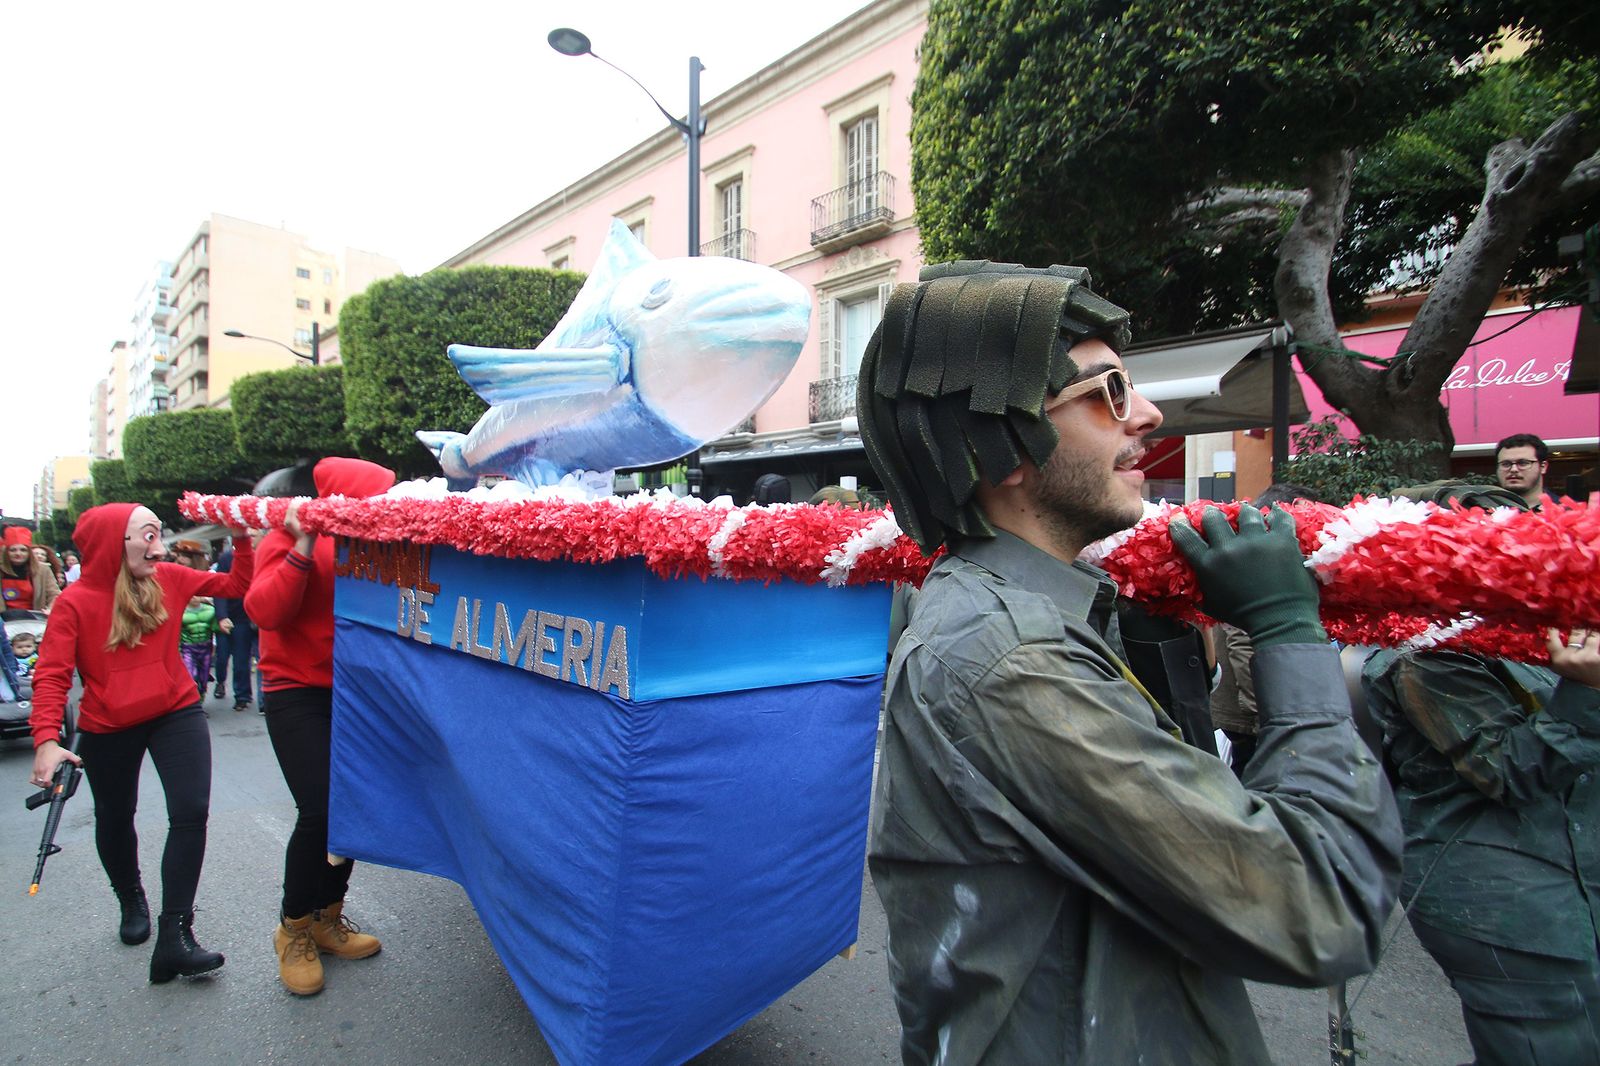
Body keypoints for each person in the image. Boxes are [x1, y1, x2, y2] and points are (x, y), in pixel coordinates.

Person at [857, 260, 1402, 1064]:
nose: (1145, 414)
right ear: (1007, 448)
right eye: (1108, 393)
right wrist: (1288, 629)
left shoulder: (1022, 619)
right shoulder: (1011, 659)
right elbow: (1322, 904)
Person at [1362, 481, 1600, 1066]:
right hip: (1510, 907)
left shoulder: (1538, 634)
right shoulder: (1426, 656)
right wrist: (1587, 691)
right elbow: (1509, 770)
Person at [27, 503, 253, 983]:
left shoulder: (169, 578)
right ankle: (131, 895)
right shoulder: (74, 603)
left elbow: (235, 587)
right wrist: (47, 739)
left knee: (190, 812)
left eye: (157, 535)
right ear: (116, 543)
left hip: (175, 711)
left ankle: (175, 935)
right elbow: (50, 677)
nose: (159, 546)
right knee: (114, 815)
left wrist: (243, 541)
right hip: (108, 726)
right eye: (147, 536)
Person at [246, 457, 395, 996]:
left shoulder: (378, 543)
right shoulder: (285, 539)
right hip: (295, 692)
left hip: (354, 693)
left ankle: (328, 918)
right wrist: (302, 546)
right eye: (374, 495)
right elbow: (264, 611)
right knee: (321, 809)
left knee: (351, 808)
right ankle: (292, 931)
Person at [211, 542, 256, 712]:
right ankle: (220, 681)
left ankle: (242, 696)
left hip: (243, 618)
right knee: (221, 657)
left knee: (241, 659)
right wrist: (222, 616)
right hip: (226, 615)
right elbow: (219, 587)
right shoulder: (227, 558)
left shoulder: (256, 558)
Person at [178, 594, 230, 702]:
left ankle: (200, 701)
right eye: (192, 595)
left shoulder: (210, 611)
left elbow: (215, 628)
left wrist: (224, 626)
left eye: (198, 595)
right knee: (192, 675)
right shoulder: (180, 611)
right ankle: (193, 702)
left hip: (205, 647)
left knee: (203, 678)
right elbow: (176, 633)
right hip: (188, 648)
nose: (195, 597)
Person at [2, 526, 60, 613]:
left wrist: (50, 608)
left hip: (34, 620)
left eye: (23, 550)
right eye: (13, 550)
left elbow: (55, 594)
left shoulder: (43, 570)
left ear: (29, 552)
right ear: (6, 552)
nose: (18, 553)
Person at [1496, 432, 1550, 509]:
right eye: (1506, 464)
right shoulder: (1486, 512)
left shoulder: (1567, 512)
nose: (1513, 469)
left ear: (1543, 467)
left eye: (1523, 463)